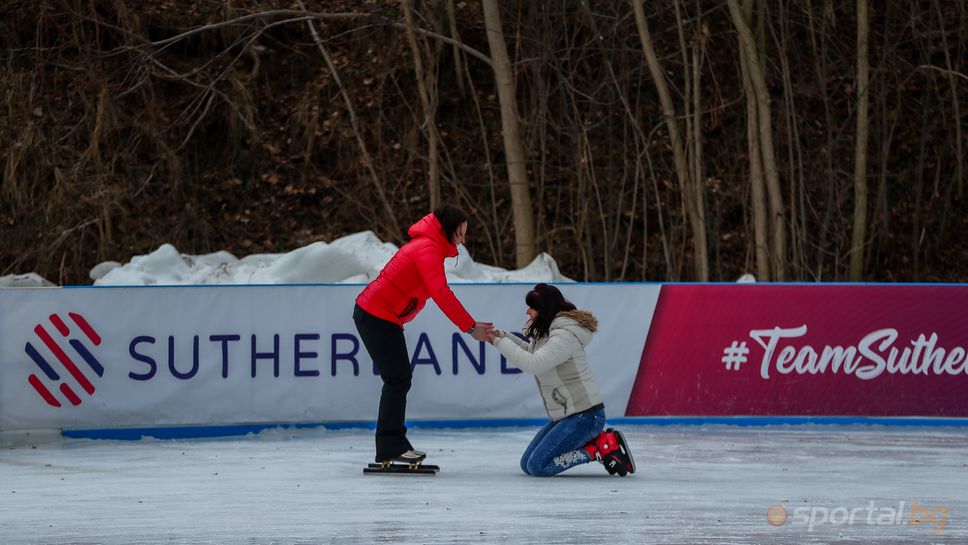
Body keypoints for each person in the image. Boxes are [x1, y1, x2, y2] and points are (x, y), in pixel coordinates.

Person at [354, 204, 493, 464]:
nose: (463, 240)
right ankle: (390, 446)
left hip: (381, 315)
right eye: (460, 233)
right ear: (448, 230)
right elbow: (441, 294)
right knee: (397, 379)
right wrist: (470, 327)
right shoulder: (427, 249)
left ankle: (390, 445)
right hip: (375, 314)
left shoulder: (430, 247)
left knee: (398, 379)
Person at [486, 283, 635, 477]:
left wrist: (499, 342)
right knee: (527, 464)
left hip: (585, 417)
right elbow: (532, 352)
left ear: (545, 309)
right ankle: (598, 445)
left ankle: (599, 448)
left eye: (532, 307)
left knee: (537, 466)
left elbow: (532, 363)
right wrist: (501, 336)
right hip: (569, 416)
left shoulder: (564, 336)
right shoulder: (549, 332)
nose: (527, 311)